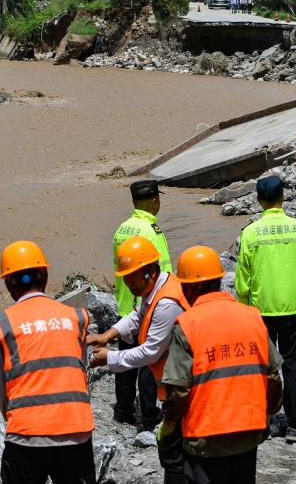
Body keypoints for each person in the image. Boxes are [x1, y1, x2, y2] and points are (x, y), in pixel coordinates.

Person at [161, 246, 284, 484]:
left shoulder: (188, 324)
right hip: (248, 434)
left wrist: (168, 426)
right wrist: (268, 415)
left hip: (206, 438)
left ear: (193, 286)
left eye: (184, 285)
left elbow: (179, 391)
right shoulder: (252, 316)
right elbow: (273, 378)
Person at [0, 241, 95, 484]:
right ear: (45, 276)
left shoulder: (1, 323)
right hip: (75, 431)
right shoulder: (77, 317)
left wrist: (19, 418)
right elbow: (82, 370)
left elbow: (0, 389)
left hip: (26, 435)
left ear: (8, 284)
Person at [88, 236, 189, 483]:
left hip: (185, 387)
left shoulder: (166, 303)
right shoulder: (154, 289)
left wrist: (109, 357)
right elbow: (138, 315)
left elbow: (150, 352)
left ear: (148, 271)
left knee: (179, 458)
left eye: (131, 277)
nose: (127, 283)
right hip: (175, 383)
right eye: (125, 277)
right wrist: (107, 335)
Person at [235, 175, 296, 441]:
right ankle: (294, 425)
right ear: (283, 197)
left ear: (259, 201)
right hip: (294, 308)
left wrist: (243, 310)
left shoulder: (249, 233)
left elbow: (242, 281)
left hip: (261, 312)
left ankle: (264, 422)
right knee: (291, 366)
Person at [112, 180, 173, 430]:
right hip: (147, 307)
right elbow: (163, 272)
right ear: (155, 201)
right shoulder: (152, 231)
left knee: (124, 359)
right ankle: (149, 414)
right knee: (149, 360)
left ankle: (124, 409)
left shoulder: (121, 229)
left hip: (125, 304)